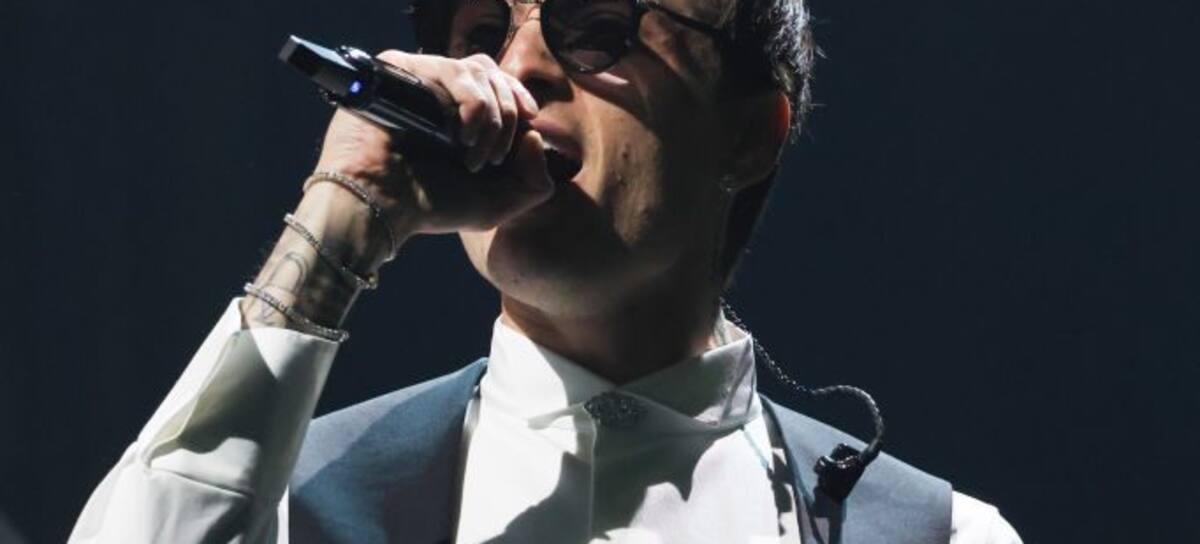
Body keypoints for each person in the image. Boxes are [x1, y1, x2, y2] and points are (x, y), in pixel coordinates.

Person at [70, 0, 1022, 541]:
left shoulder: (943, 536)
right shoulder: (284, 499)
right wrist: (336, 225)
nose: (516, 67)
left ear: (748, 133)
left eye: (596, 22)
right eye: (480, 28)